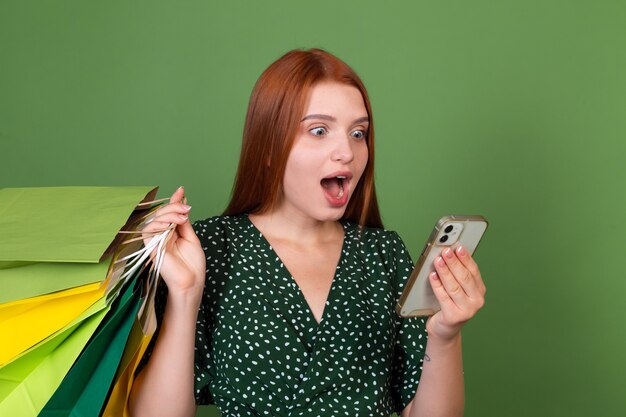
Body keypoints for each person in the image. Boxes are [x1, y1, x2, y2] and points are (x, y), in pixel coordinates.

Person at [129, 48, 486, 417]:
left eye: (358, 133)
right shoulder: (211, 250)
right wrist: (184, 296)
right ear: (268, 145)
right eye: (319, 130)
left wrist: (445, 335)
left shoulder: (383, 255)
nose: (346, 152)